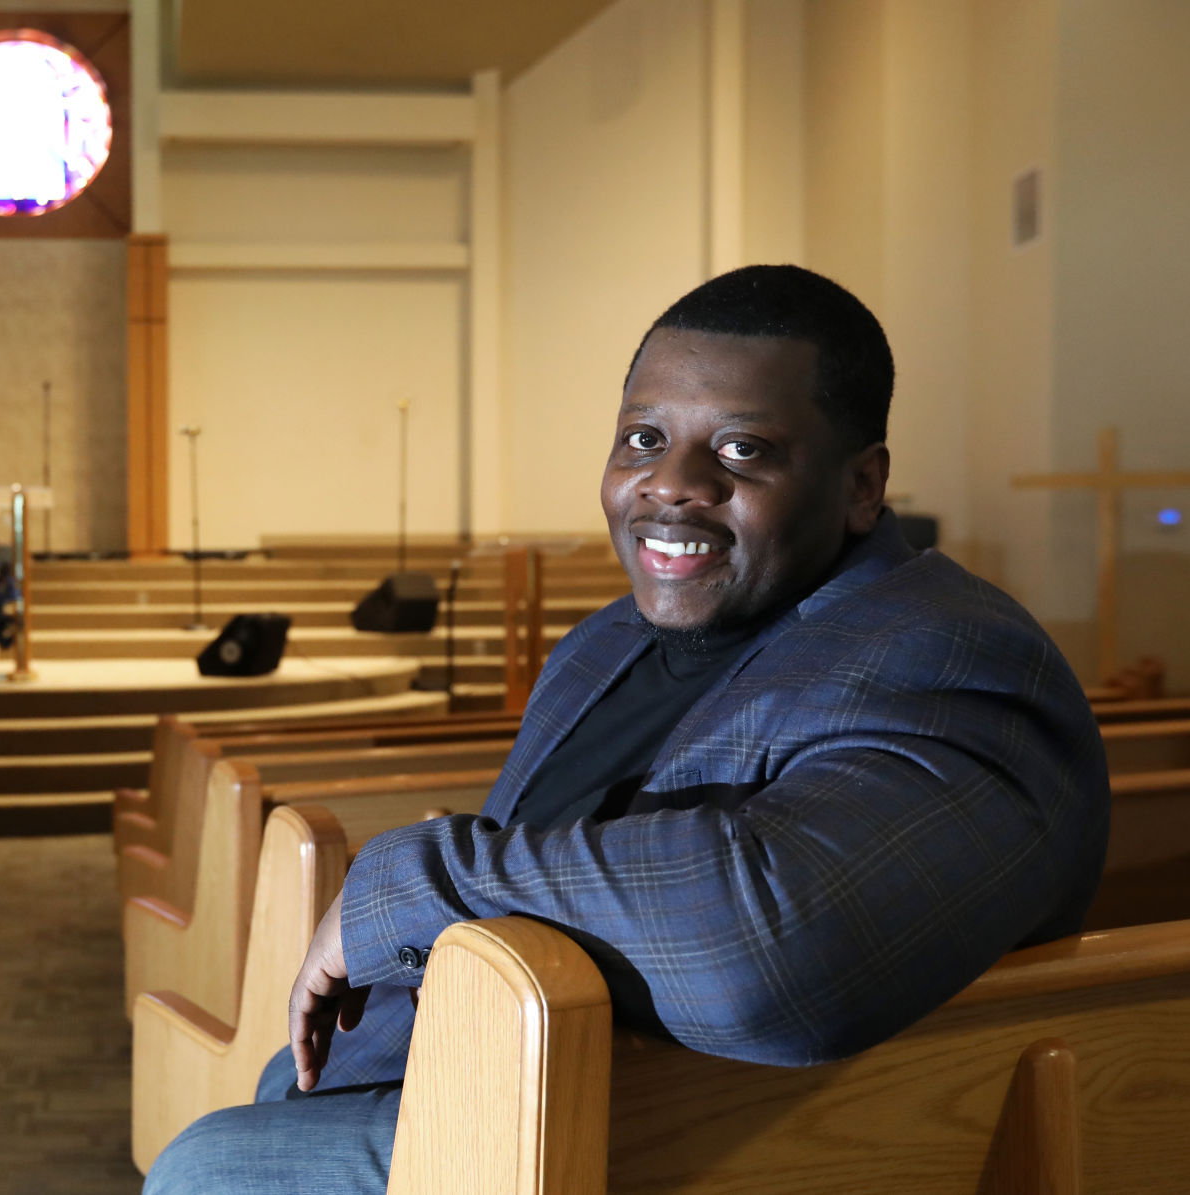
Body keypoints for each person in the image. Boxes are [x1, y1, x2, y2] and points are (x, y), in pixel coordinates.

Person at [143, 265, 1109, 1195]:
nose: (671, 483)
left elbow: (769, 946)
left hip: (655, 1142)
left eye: (742, 449)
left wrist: (406, 884)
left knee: (210, 1171)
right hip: (491, 1070)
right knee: (265, 1100)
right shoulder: (601, 645)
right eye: (642, 437)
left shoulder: (951, 656)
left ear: (862, 487)